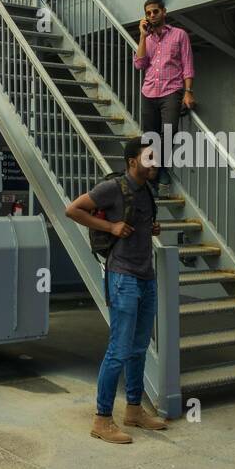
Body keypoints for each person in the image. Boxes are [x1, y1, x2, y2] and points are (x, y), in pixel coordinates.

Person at [66, 138, 167, 444]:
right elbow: (73, 209)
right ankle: (102, 418)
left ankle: (134, 410)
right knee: (119, 350)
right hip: (122, 276)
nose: (154, 162)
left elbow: (139, 222)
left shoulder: (148, 190)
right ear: (132, 161)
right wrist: (110, 228)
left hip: (145, 276)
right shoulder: (112, 188)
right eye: (149, 157)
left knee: (138, 348)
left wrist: (151, 228)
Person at [133, 0, 194, 198]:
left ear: (163, 12)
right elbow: (139, 64)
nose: (152, 15)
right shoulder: (147, 40)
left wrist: (188, 91)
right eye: (148, 13)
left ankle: (160, 170)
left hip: (172, 90)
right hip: (149, 91)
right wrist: (142, 36)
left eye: (155, 11)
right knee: (150, 137)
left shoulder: (179, 35)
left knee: (168, 132)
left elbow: (187, 64)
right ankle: (158, 172)